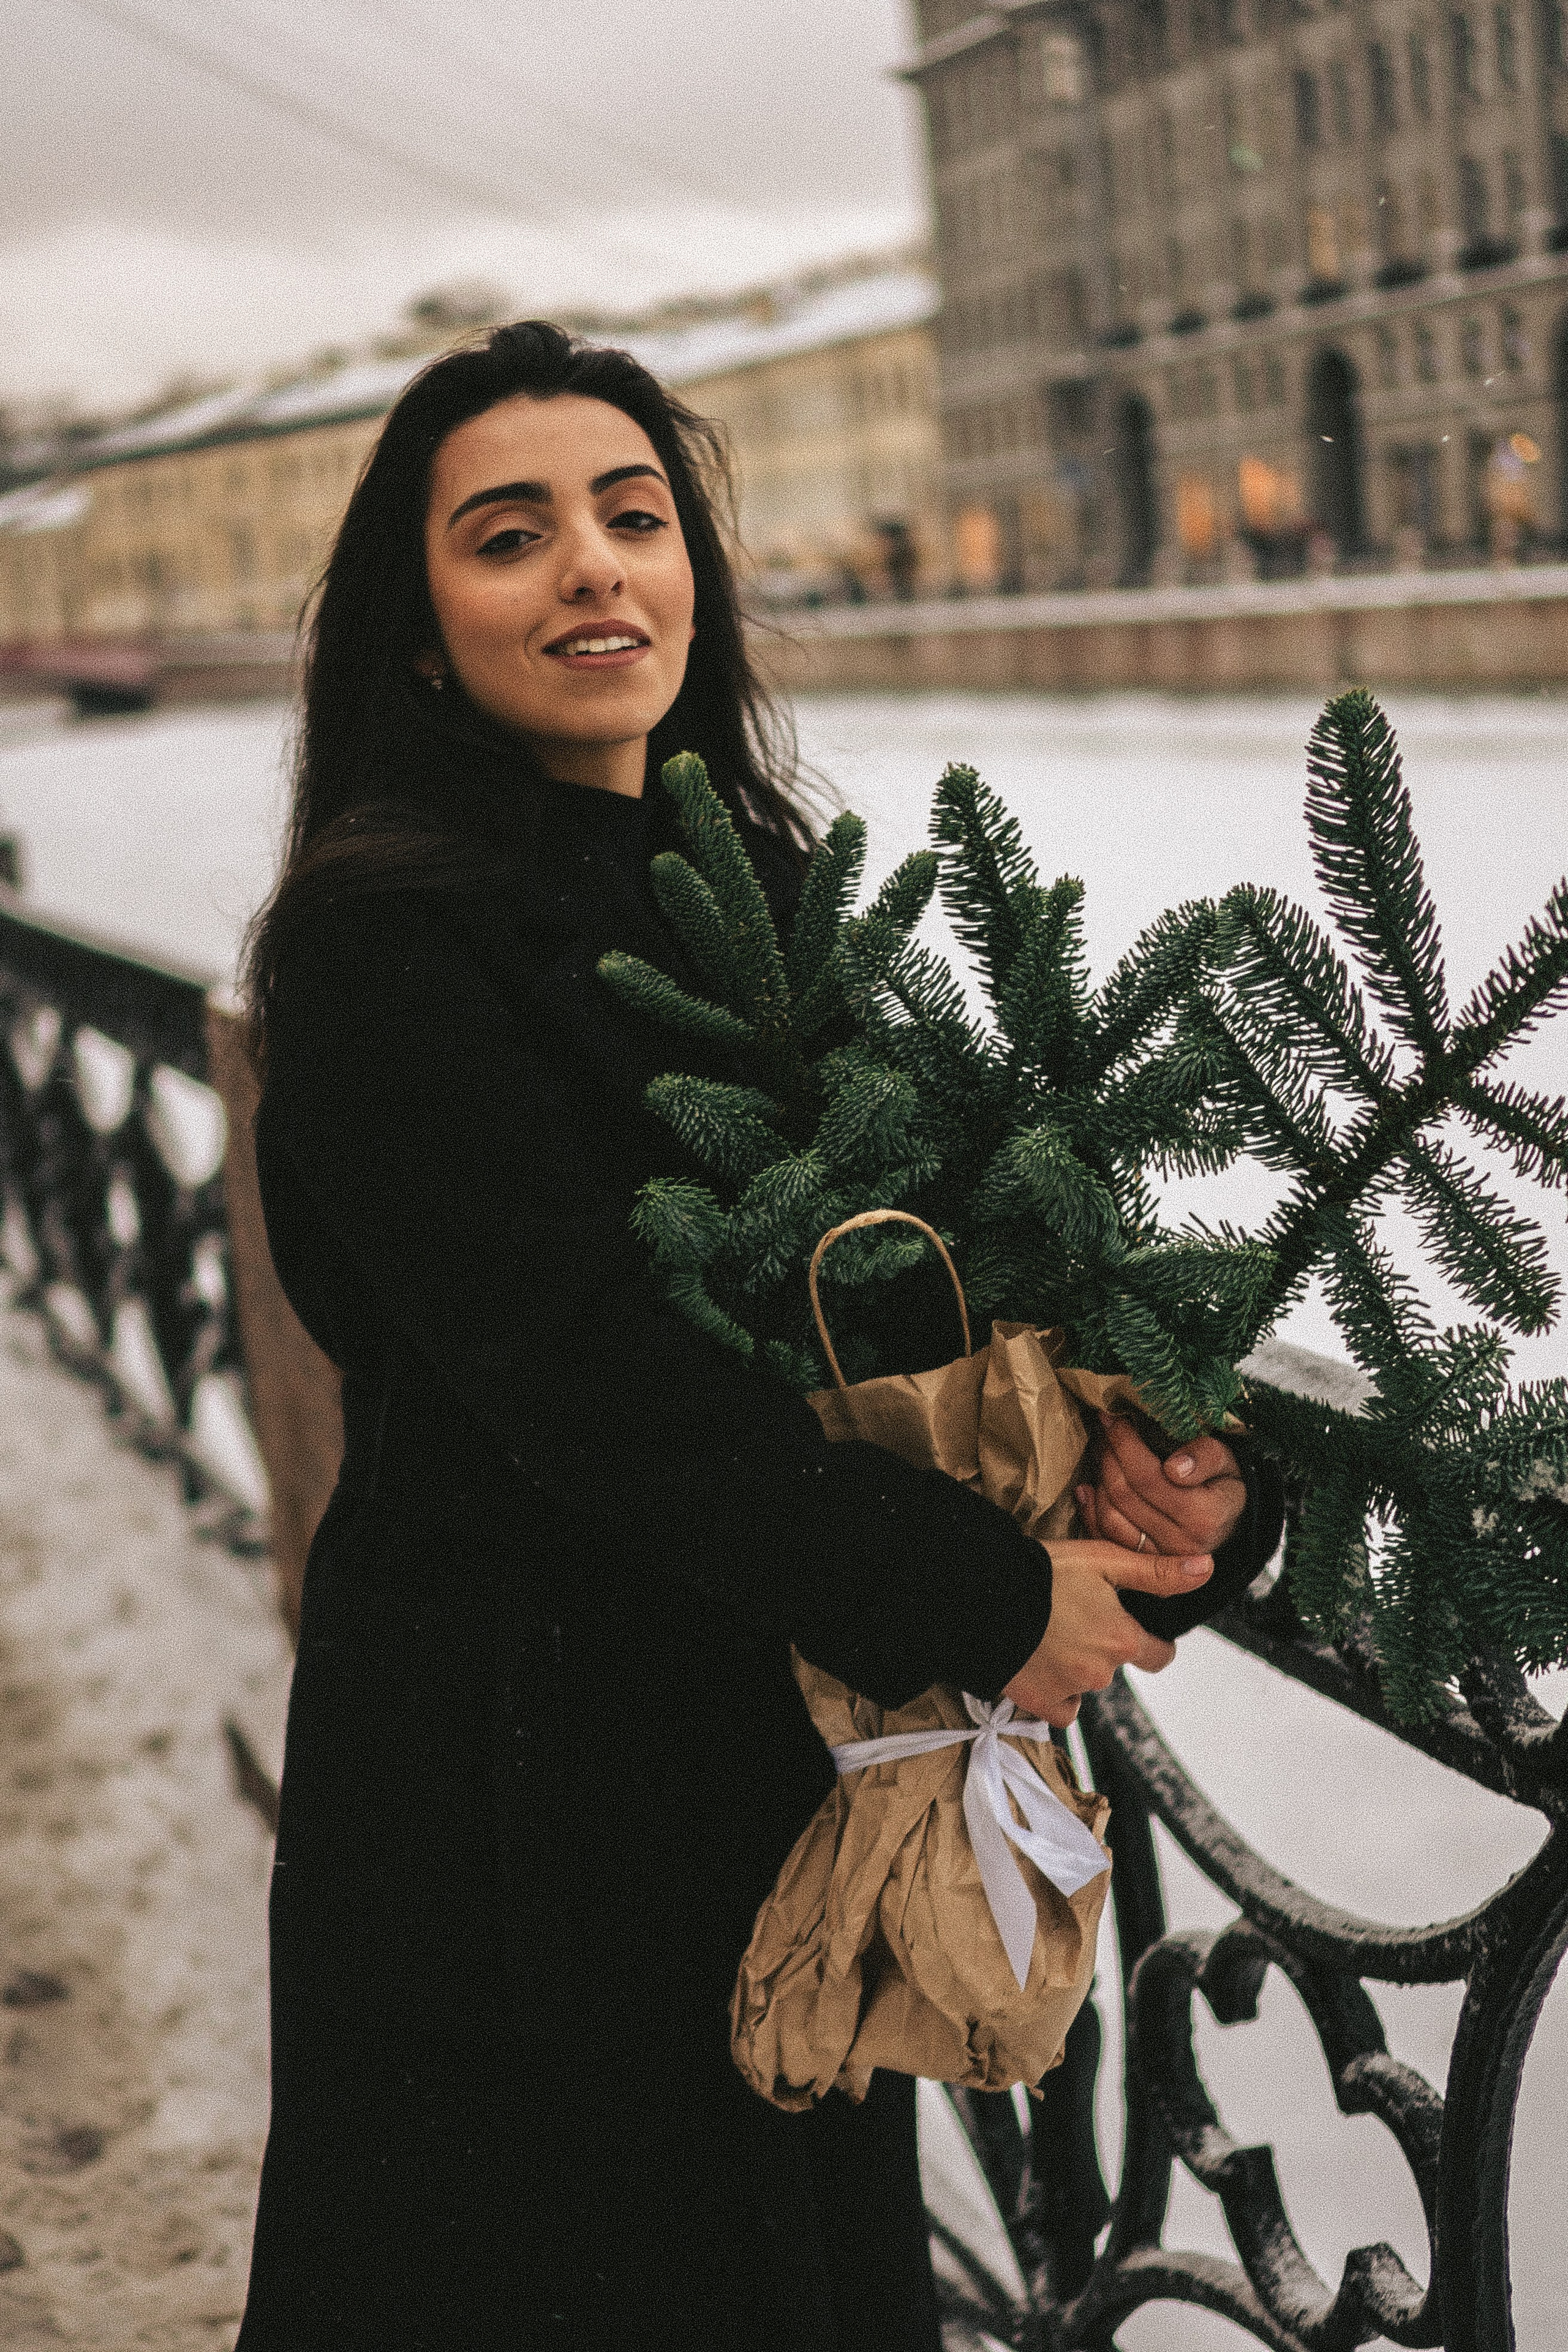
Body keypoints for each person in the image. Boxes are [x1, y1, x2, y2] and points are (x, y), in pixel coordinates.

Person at [235, 322, 1280, 2352]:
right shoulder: (386, 942)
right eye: (511, 534)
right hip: (519, 1812)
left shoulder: (758, 888)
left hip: (768, 1770)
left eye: (635, 518)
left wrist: (1180, 1468)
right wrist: (982, 1596)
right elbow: (587, 1386)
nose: (594, 570)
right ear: (422, 628)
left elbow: (959, 1280)